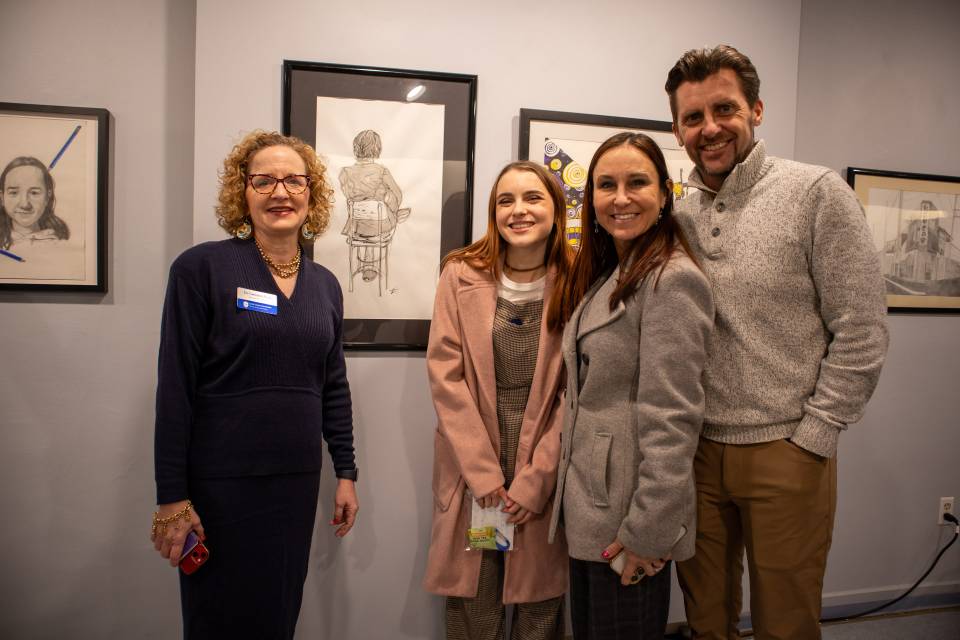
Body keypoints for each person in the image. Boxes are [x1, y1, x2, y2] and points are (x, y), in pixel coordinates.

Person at [664, 45, 889, 639]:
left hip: (786, 450)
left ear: (756, 110)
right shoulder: (677, 215)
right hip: (697, 455)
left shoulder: (815, 194)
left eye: (724, 109)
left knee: (785, 623)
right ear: (677, 129)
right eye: (693, 117)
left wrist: (815, 434)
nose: (709, 128)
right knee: (704, 619)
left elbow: (862, 329)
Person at [151, 130, 359, 639]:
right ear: (241, 193)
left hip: (294, 480)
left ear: (312, 194)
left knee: (276, 615)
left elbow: (333, 385)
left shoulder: (325, 285)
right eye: (263, 180)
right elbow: (174, 387)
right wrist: (171, 497)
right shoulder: (201, 268)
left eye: (293, 180)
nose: (280, 192)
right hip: (221, 485)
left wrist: (347, 471)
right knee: (217, 619)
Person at [547, 132, 714, 639]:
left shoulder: (672, 279)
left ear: (665, 194)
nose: (620, 198)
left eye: (636, 183)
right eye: (606, 185)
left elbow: (674, 417)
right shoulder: (611, 272)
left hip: (629, 516)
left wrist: (649, 531)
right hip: (593, 501)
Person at [423, 160, 573, 639]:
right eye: (505, 200)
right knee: (474, 601)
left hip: (543, 461)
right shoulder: (460, 272)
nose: (518, 210)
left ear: (556, 208)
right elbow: (446, 375)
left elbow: (579, 391)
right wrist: (483, 473)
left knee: (539, 601)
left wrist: (539, 478)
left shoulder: (581, 278)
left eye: (533, 198)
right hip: (474, 463)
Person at [339, 129, 411, 282]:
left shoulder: (345, 172)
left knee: (371, 206)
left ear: (356, 148)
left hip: (356, 225)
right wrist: (386, 199)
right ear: (377, 149)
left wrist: (368, 198)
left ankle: (367, 263)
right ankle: (395, 216)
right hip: (381, 225)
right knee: (387, 200)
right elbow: (398, 194)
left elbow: (349, 196)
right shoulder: (381, 171)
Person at [0, 156, 69, 250]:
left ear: (47, 198)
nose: (24, 204)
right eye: (14, 193)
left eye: (34, 193)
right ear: (2, 197)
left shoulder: (61, 245)